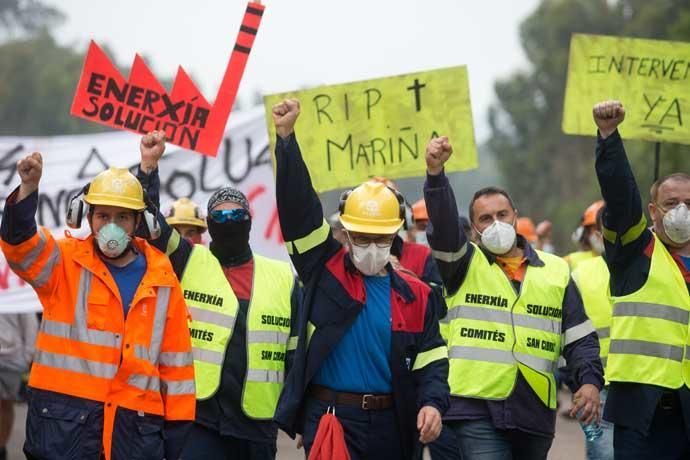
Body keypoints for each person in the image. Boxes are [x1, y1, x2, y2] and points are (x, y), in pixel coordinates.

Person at [270, 99, 449, 460]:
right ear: (346, 234)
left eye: (380, 238)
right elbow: (298, 210)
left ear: (396, 235)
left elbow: (432, 360)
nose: (371, 246)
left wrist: (432, 404)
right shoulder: (324, 270)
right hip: (331, 420)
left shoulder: (417, 295)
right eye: (361, 237)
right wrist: (287, 140)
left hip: (392, 424)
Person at [0, 153, 195, 460]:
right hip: (63, 434)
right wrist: (27, 189)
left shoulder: (163, 280)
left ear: (138, 222)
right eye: (103, 216)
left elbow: (178, 370)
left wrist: (174, 441)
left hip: (133, 436)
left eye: (122, 217)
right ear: (86, 217)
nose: (111, 226)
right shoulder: (61, 262)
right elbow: (20, 247)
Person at [424, 135, 604, 460]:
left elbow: (579, 337)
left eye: (502, 215)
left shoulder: (556, 270)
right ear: (474, 229)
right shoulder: (463, 264)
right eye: (485, 219)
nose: (496, 223)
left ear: (515, 215)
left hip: (534, 410)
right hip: (474, 408)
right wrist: (436, 176)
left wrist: (589, 382)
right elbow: (445, 229)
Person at [135, 131, 301, 460]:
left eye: (236, 216)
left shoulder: (283, 277)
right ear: (209, 225)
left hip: (257, 424)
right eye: (221, 217)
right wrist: (148, 168)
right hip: (198, 420)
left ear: (249, 223)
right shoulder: (188, 260)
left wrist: (302, 416)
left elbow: (297, 356)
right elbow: (149, 227)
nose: (229, 222)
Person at [591, 100, 690, 459]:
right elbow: (621, 199)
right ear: (653, 211)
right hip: (643, 413)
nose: (681, 211)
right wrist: (609, 138)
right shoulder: (636, 250)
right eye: (672, 202)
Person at [571, 206, 613, 460]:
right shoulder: (579, 271)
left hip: (647, 386)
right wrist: (576, 381)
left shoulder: (659, 267)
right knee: (604, 455)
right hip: (596, 387)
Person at [0, 312, 38, 460]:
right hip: (14, 360)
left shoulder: (16, 292)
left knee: (4, 405)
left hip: (11, 360)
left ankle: (1, 447)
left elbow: (30, 325)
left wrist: (27, 357)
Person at [564, 200, 605, 270]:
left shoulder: (627, 259)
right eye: (596, 228)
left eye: (605, 227)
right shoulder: (570, 261)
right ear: (585, 233)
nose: (599, 233)